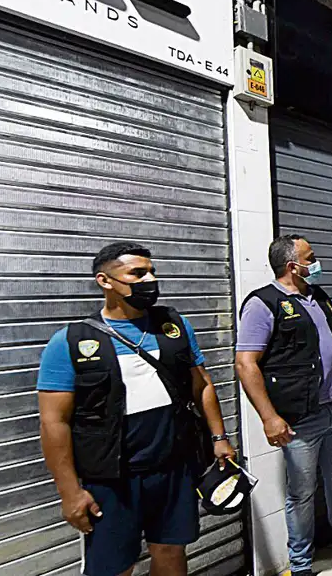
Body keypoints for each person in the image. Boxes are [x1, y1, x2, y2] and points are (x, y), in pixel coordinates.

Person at [37, 242, 235, 576]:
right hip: (112, 480)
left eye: (152, 271)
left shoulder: (173, 325)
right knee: (114, 567)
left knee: (172, 551)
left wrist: (219, 437)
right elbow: (53, 422)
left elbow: (202, 385)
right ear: (105, 281)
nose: (150, 280)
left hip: (173, 469)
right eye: (137, 273)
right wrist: (69, 491)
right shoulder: (70, 342)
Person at [234, 235, 332, 576]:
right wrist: (269, 417)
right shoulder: (262, 303)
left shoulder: (318, 297)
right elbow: (245, 364)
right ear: (292, 266)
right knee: (301, 492)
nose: (316, 262)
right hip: (300, 418)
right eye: (310, 258)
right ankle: (300, 562)